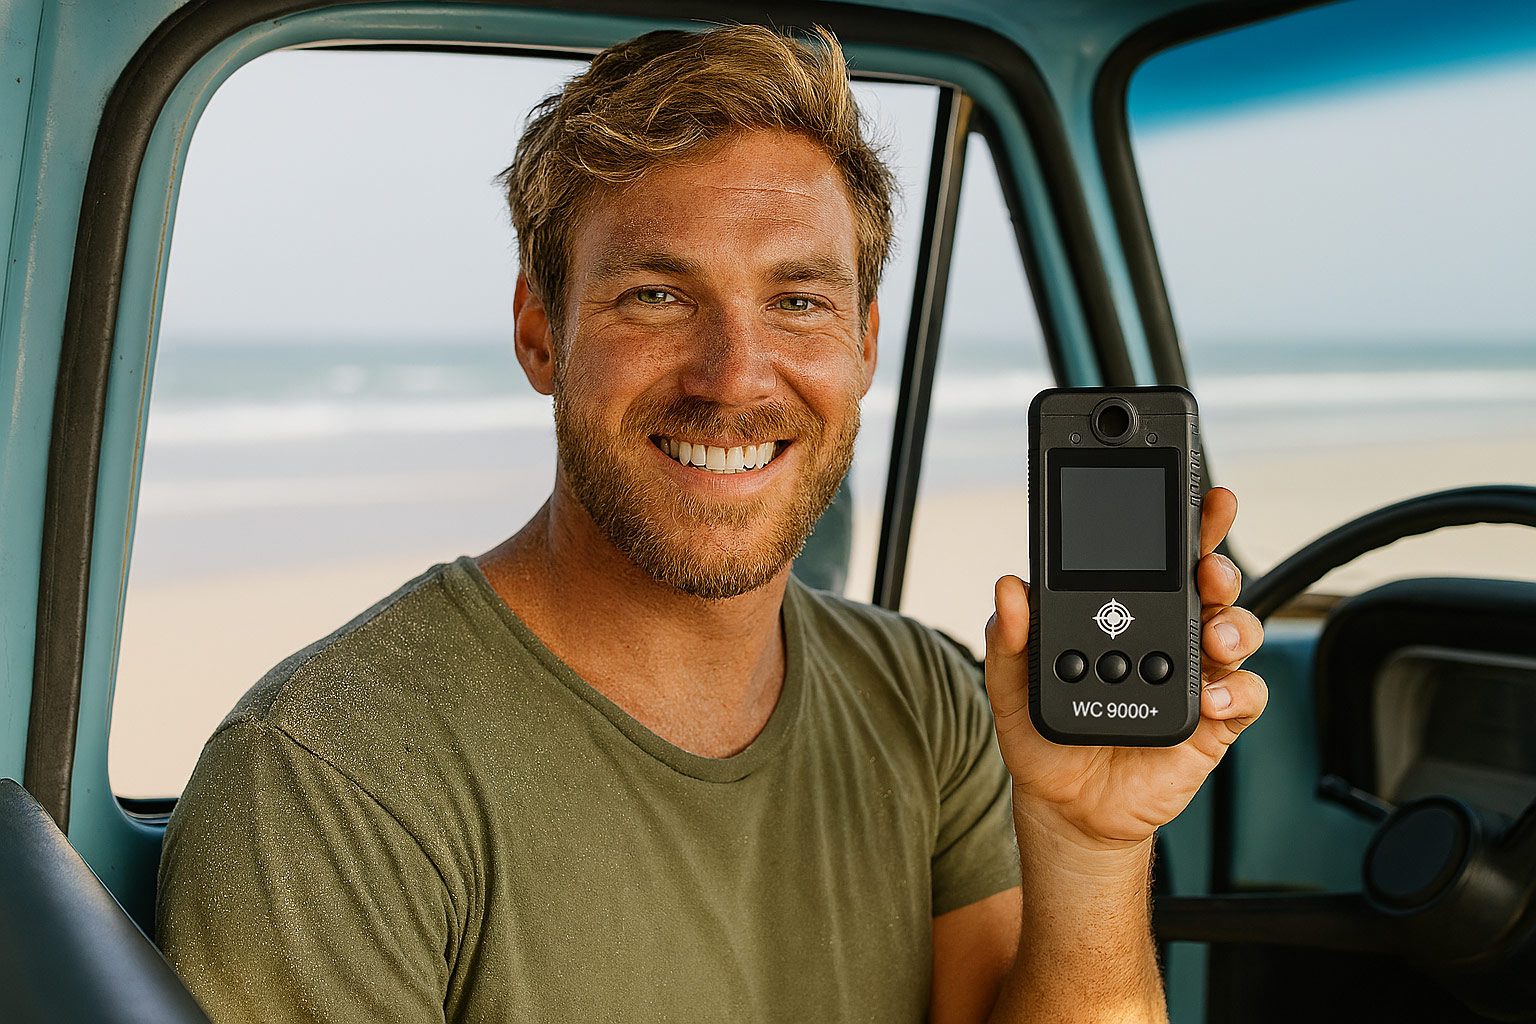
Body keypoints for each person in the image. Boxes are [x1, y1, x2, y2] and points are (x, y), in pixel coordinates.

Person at [156, 24, 1266, 1024]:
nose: (734, 376)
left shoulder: (932, 701)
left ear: (866, 341)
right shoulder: (329, 776)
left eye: (797, 301)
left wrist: (1089, 846)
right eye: (656, 295)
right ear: (541, 333)